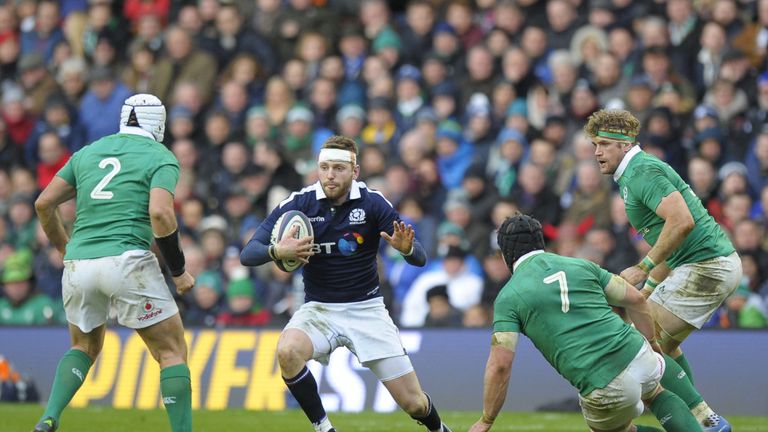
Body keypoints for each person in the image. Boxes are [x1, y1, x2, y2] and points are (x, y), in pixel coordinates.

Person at [241, 135, 452, 432]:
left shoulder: (373, 203)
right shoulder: (298, 203)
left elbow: (419, 257)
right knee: (287, 351)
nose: (330, 175)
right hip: (318, 310)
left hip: (366, 310)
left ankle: (440, 429)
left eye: (338, 168)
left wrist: (406, 249)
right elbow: (248, 254)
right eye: (324, 167)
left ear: (355, 171)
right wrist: (277, 250)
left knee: (415, 403)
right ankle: (325, 429)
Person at [32, 94, 195, 432]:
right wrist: (178, 271)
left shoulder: (87, 152)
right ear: (158, 123)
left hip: (80, 263)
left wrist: (66, 249)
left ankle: (50, 417)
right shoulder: (160, 156)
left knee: (84, 346)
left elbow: (44, 203)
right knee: (171, 352)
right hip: (127, 260)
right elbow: (161, 213)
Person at [469, 214, 702, 432]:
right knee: (657, 393)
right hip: (636, 351)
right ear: (541, 243)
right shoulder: (580, 265)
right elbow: (636, 298)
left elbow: (500, 365)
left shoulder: (509, 297)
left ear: (505, 255)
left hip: (603, 383)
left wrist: (487, 419)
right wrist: (651, 342)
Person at [587, 108, 741, 431]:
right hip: (701, 264)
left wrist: (643, 268)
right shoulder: (633, 175)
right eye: (594, 145)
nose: (597, 152)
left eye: (603, 144)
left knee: (642, 341)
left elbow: (682, 222)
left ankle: (705, 420)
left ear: (625, 145)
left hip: (706, 265)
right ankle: (699, 420)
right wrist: (644, 291)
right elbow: (672, 242)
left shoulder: (641, 171)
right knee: (662, 346)